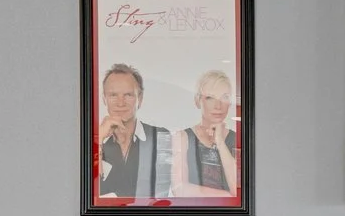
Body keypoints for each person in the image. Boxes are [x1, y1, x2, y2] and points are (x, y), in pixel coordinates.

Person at [96, 63, 172, 201]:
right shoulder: (92, 141)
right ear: (104, 99)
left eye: (128, 95)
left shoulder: (160, 137)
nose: (120, 103)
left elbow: (162, 194)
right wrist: (98, 139)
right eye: (113, 95)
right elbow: (86, 188)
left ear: (140, 99)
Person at [173, 68, 241, 199]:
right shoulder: (183, 137)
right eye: (210, 97)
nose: (218, 106)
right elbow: (179, 189)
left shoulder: (237, 138)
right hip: (196, 215)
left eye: (224, 97)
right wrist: (227, 196)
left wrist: (220, 142)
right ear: (198, 101)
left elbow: (239, 188)